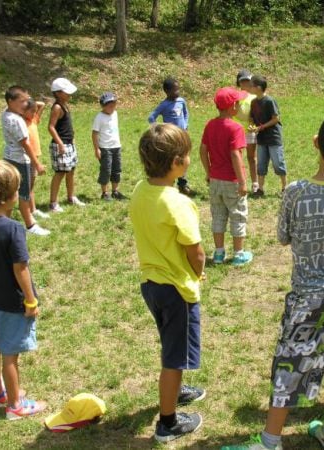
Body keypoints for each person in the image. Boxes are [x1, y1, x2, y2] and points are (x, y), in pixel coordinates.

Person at [223, 113, 324, 450]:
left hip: (309, 296)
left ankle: (271, 441)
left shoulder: (295, 193)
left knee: (290, 365)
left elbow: (283, 237)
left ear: (316, 142)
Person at [129, 124, 207, 443]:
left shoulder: (139, 190)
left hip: (152, 286)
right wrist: (198, 272)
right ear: (176, 162)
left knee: (171, 343)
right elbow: (196, 252)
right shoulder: (178, 203)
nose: (189, 159)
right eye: (187, 155)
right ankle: (168, 423)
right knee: (173, 358)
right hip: (177, 290)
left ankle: (176, 389)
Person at [0, 160, 47, 420]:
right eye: (17, 189)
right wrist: (30, 299)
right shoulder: (13, 228)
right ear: (8, 197)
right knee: (10, 356)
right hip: (12, 304)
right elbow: (21, 269)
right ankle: (15, 405)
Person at [200, 87, 253, 266]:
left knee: (218, 215)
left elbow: (203, 150)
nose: (239, 106)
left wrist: (209, 172)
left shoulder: (210, 125)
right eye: (237, 103)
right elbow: (235, 155)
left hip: (215, 180)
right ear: (232, 107)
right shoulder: (236, 128)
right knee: (238, 215)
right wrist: (243, 182)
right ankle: (238, 254)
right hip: (232, 181)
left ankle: (218, 253)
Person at [1, 86, 49, 236]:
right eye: (22, 101)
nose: (25, 105)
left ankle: (4, 223)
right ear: (10, 101)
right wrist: (37, 164)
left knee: (10, 192)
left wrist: (25, 96)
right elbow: (26, 144)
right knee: (24, 194)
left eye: (26, 101)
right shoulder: (17, 120)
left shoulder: (6, 113)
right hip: (20, 160)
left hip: (8, 157)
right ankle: (30, 225)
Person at [148, 77, 195, 197]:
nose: (177, 92)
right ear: (167, 92)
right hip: (171, 138)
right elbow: (151, 117)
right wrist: (160, 128)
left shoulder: (181, 101)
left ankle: (183, 184)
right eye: (175, 90)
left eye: (178, 89)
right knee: (171, 160)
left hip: (182, 135)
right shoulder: (164, 105)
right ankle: (170, 183)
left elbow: (185, 113)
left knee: (183, 158)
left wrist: (185, 124)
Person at [48, 77, 85, 212]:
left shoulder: (65, 104)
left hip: (69, 144)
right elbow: (51, 127)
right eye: (66, 92)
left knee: (71, 171)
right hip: (61, 146)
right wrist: (60, 144)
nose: (69, 95)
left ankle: (71, 197)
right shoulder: (57, 107)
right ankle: (53, 203)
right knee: (60, 173)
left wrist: (72, 140)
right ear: (57, 93)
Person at [249, 75, 287, 196]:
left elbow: (276, 119)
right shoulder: (253, 102)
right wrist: (252, 126)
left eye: (252, 85)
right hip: (261, 138)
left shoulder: (270, 101)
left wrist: (262, 127)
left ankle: (284, 188)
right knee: (261, 164)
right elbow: (252, 118)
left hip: (273, 137)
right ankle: (260, 189)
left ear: (259, 88)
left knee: (278, 163)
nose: (250, 88)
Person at [93, 92, 126, 201]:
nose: (112, 108)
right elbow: (94, 134)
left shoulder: (115, 114)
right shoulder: (99, 117)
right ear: (103, 106)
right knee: (106, 170)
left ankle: (115, 191)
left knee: (117, 169)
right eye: (109, 106)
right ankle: (104, 193)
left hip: (116, 146)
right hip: (105, 148)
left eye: (114, 105)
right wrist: (96, 149)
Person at [22, 98, 50, 220]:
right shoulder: (21, 122)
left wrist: (30, 102)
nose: (34, 113)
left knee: (31, 185)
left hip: (35, 157)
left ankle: (33, 209)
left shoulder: (33, 120)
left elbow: (42, 104)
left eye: (35, 111)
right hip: (27, 157)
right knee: (26, 185)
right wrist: (25, 105)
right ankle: (28, 210)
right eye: (32, 111)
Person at [234, 69, 259, 194]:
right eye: (242, 82)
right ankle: (239, 181)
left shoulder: (254, 97)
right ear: (239, 83)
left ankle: (255, 183)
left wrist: (254, 122)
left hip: (250, 130)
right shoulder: (235, 96)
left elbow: (258, 115)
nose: (245, 84)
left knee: (251, 157)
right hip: (236, 130)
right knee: (237, 156)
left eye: (248, 81)